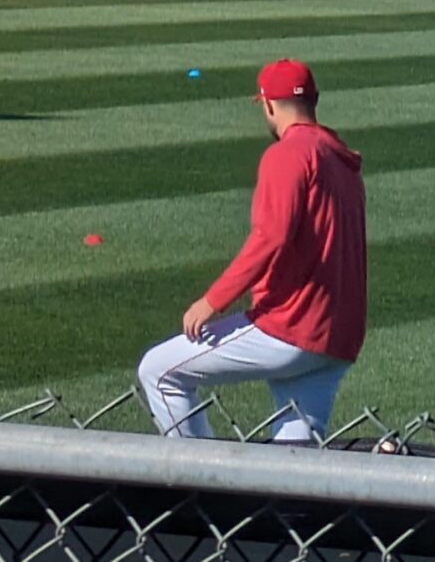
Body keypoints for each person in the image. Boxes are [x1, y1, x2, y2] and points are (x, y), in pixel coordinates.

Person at [138, 58, 366, 443]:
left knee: (160, 372)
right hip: (337, 338)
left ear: (268, 105)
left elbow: (271, 236)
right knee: (291, 464)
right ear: (315, 100)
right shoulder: (342, 160)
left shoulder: (289, 154)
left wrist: (212, 301)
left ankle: (204, 486)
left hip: (290, 328)